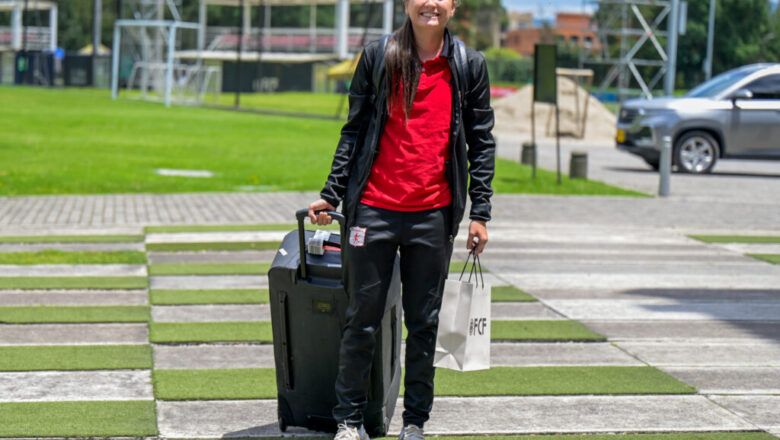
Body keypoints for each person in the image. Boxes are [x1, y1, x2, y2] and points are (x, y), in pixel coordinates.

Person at [308, 0, 495, 439]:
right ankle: (349, 422)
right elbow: (353, 130)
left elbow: (481, 142)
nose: (430, 3)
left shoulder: (468, 65)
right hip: (372, 209)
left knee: (425, 325)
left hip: (433, 214)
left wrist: (480, 212)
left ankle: (414, 423)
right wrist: (331, 193)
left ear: (453, 5)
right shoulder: (378, 56)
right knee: (361, 319)